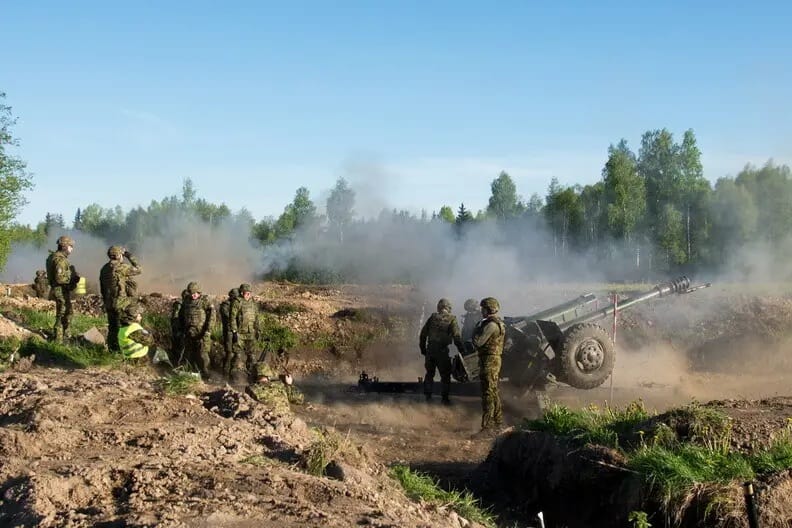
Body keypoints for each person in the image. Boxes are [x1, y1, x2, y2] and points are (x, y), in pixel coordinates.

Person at [419, 298, 465, 404]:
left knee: (429, 374)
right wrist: (462, 350)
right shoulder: (452, 319)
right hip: (442, 351)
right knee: (445, 376)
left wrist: (423, 349)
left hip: (430, 350)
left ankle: (428, 397)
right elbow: (456, 336)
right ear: (448, 308)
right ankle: (444, 399)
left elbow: (423, 334)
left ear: (439, 307)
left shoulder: (433, 317)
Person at [99, 245, 142, 352]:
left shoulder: (104, 269)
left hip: (109, 303)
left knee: (113, 328)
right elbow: (139, 269)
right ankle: (129, 351)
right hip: (121, 303)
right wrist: (129, 255)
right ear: (119, 256)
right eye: (122, 255)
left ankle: (113, 351)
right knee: (127, 327)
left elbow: (102, 288)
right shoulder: (122, 267)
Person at [473, 297, 506, 431]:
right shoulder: (498, 323)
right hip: (493, 359)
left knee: (487, 392)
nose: (482, 311)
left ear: (489, 309)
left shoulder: (491, 325)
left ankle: (487, 427)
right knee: (493, 391)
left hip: (489, 361)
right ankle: (498, 421)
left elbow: (478, 342)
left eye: (483, 309)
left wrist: (476, 329)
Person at [45, 235, 80, 342]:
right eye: (71, 246)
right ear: (65, 246)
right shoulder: (60, 260)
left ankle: (64, 337)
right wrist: (73, 278)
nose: (72, 249)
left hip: (58, 289)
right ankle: (59, 340)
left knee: (66, 313)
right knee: (63, 315)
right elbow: (60, 279)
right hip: (60, 290)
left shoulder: (53, 257)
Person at [181, 281, 215, 379]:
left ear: (199, 292)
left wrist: (208, 330)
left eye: (195, 293)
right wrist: (183, 328)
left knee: (203, 353)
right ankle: (189, 373)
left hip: (202, 332)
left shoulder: (205, 301)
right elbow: (182, 315)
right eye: (191, 293)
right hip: (189, 331)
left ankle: (207, 374)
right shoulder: (186, 301)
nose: (193, 295)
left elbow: (212, 316)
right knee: (188, 352)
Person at [229, 283, 259, 383]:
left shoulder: (253, 303)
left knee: (252, 357)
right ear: (242, 293)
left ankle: (251, 379)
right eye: (246, 293)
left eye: (249, 293)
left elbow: (257, 318)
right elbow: (232, 317)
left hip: (251, 333)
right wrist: (234, 331)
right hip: (240, 334)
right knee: (237, 356)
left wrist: (258, 330)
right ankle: (234, 379)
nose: (248, 295)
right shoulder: (237, 302)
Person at [219, 287, 240, 376]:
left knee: (237, 353)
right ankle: (225, 373)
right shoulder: (225, 305)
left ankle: (233, 372)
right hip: (229, 332)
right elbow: (230, 317)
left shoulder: (238, 305)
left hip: (237, 331)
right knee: (229, 353)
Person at [170, 289, 189, 362]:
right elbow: (175, 318)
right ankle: (176, 362)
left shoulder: (186, 304)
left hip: (181, 328)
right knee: (178, 346)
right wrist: (178, 330)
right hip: (178, 329)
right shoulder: (180, 304)